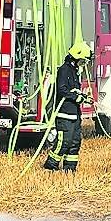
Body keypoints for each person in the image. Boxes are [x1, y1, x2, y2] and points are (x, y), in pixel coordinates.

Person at [44, 41, 93, 172]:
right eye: (82, 61)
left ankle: (70, 169)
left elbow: (73, 90)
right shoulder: (64, 70)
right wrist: (77, 97)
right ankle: (50, 167)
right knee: (63, 142)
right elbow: (62, 90)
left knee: (75, 143)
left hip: (75, 115)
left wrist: (84, 97)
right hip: (64, 115)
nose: (83, 64)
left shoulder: (75, 71)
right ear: (76, 57)